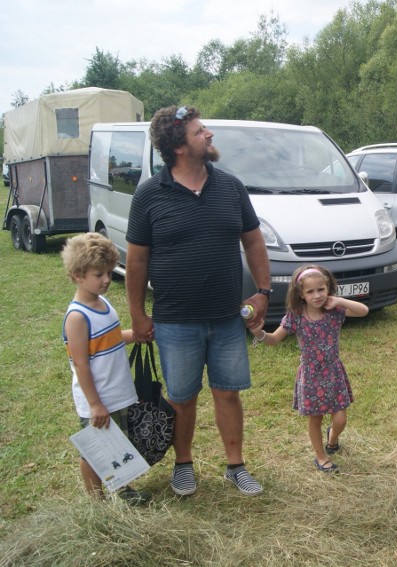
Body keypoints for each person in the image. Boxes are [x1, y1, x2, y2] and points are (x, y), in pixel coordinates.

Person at [125, 105, 271, 496]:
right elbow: (137, 259)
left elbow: (253, 239)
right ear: (178, 146)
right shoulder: (149, 195)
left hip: (227, 317)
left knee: (228, 392)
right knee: (182, 397)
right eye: (199, 131)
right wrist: (138, 315)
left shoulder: (230, 186)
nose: (208, 135)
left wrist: (264, 290)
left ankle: (235, 466)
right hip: (175, 320)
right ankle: (183, 464)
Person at [249, 264, 368, 473]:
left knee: (340, 418)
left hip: (333, 372)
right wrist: (260, 334)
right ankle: (321, 457)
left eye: (321, 289)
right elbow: (275, 338)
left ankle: (332, 438)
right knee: (316, 418)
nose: (317, 295)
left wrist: (338, 300)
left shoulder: (335, 312)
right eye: (310, 291)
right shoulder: (295, 316)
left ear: (328, 287)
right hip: (311, 375)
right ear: (301, 294)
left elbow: (363, 311)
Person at [61, 232, 150, 505]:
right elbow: (80, 364)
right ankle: (96, 501)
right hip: (98, 399)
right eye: (98, 274)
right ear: (77, 275)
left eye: (109, 273)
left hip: (117, 391)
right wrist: (95, 405)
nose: (107, 280)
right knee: (95, 450)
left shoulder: (103, 303)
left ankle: (122, 489)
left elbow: (109, 339)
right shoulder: (77, 317)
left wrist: (135, 334)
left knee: (118, 443)